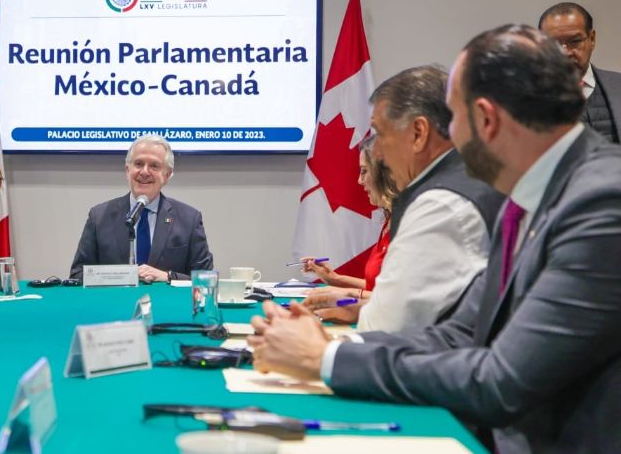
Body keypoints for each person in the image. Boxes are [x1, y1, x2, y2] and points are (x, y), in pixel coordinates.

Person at [249, 24, 621, 453]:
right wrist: (326, 345)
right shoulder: (528, 193)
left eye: (454, 119)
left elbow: (501, 382)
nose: (453, 139)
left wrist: (325, 360)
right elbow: (456, 334)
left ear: (485, 119)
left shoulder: (602, 202)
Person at [307, 66, 504, 330]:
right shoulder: (465, 177)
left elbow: (390, 325)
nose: (376, 153)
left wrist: (320, 353)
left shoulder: (439, 203)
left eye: (381, 135)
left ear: (418, 133)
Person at [70, 134, 213, 282]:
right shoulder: (99, 217)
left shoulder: (189, 219)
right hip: (115, 303)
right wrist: (118, 277)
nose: (144, 172)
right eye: (138, 164)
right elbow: (77, 276)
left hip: (167, 304)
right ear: (127, 170)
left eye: (154, 166)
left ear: (167, 175)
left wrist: (169, 276)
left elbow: (206, 279)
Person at [298, 135, 397, 298]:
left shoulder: (409, 224)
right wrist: (335, 279)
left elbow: (396, 298)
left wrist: (349, 292)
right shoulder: (390, 220)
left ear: (384, 174)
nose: (359, 180)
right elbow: (376, 286)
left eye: (364, 171)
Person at [539, 2, 621, 143]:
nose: (565, 52)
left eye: (574, 41)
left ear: (592, 39)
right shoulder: (526, 96)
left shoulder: (617, 85)